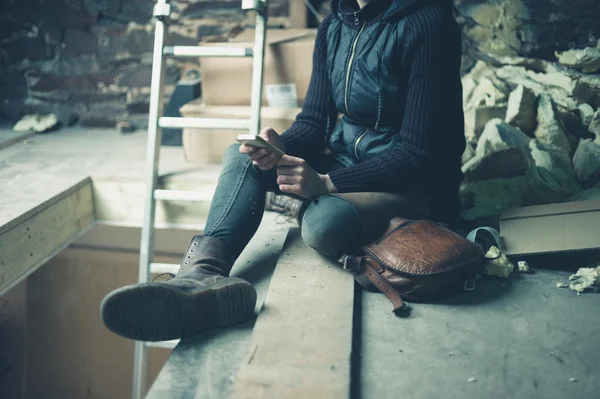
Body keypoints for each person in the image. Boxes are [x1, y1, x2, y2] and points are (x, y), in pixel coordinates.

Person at [101, 0, 465, 342]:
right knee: (241, 157)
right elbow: (315, 121)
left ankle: (309, 205)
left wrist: (327, 183)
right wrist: (281, 146)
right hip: (347, 161)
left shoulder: (428, 24)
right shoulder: (335, 26)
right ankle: (201, 277)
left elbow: (418, 154)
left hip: (412, 183)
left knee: (324, 224)